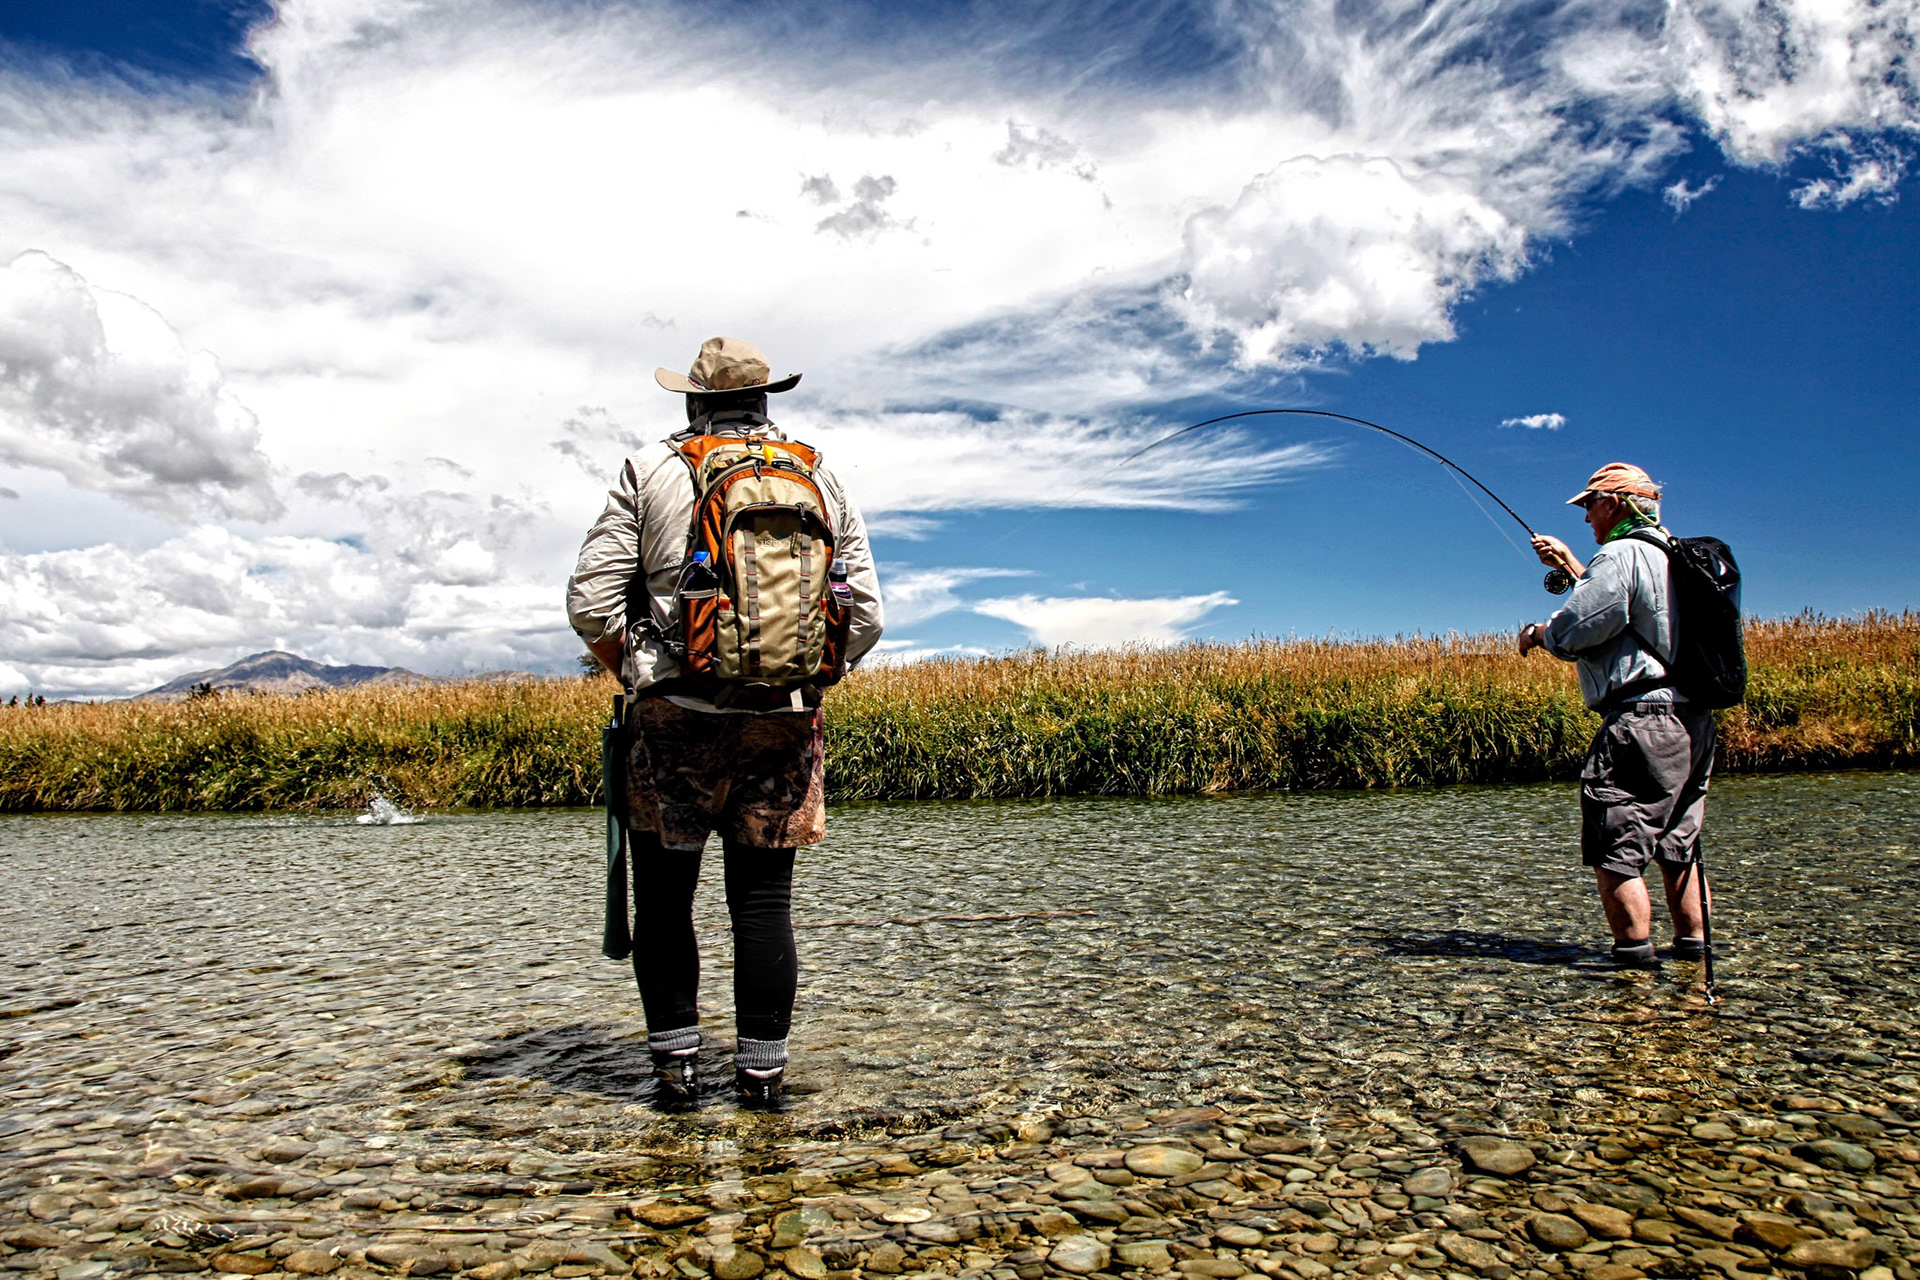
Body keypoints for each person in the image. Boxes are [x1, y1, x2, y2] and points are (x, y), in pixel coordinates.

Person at [566, 336, 883, 1108]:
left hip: (673, 718)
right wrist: (797, 680)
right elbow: (867, 616)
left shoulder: (653, 469)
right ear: (768, 399)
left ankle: (675, 1079)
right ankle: (762, 1081)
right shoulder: (820, 474)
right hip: (783, 723)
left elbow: (590, 603)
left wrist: (640, 674)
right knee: (764, 907)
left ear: (692, 401)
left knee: (666, 904)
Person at [1517, 462, 1714, 967]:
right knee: (1679, 848)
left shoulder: (1620, 555)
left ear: (1616, 504)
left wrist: (1539, 634)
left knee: (1617, 847)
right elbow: (1634, 618)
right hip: (1693, 722)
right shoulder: (1676, 556)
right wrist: (1571, 565)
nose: (1586, 518)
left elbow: (1578, 629)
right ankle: (1694, 962)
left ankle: (1634, 980)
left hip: (1642, 723)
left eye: (1590, 505)